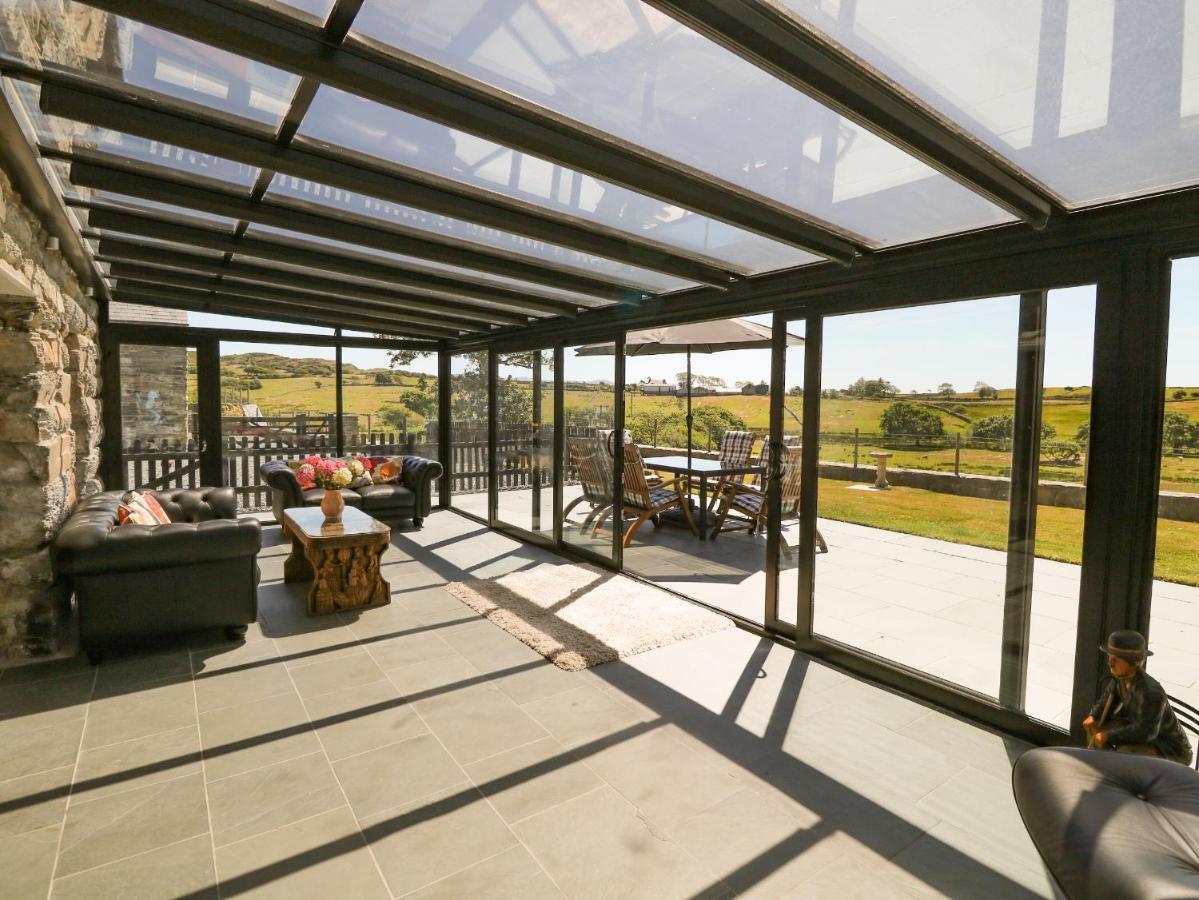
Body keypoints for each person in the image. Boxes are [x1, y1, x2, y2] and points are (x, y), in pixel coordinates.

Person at [1084, 630, 1192, 765]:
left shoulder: (1151, 693)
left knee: (1125, 755)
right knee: (1096, 727)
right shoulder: (1120, 678)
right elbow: (1107, 697)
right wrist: (1094, 716)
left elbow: (1146, 731)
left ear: (1133, 663)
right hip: (1139, 728)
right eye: (1110, 656)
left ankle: (1120, 776)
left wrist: (1108, 736)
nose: (1110, 663)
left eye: (1116, 659)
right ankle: (1100, 765)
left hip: (1167, 747)